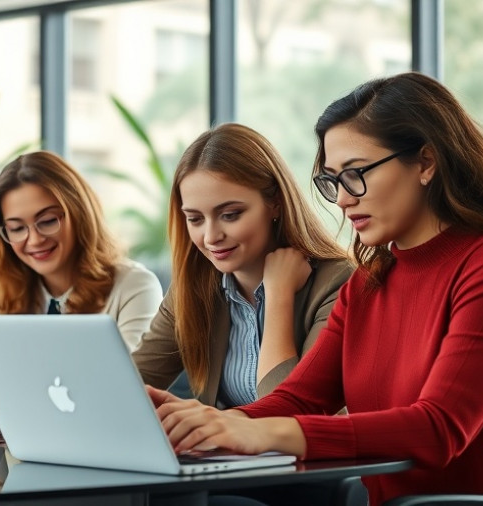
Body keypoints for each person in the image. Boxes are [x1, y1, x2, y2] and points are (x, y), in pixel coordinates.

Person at [149, 72, 483, 503]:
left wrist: (257, 430)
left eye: (355, 174)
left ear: (426, 162)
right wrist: (198, 422)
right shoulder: (368, 283)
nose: (341, 199)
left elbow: (439, 429)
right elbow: (299, 398)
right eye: (333, 180)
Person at [133, 123, 353, 408]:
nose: (211, 237)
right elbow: (128, 385)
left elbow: (291, 414)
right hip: (224, 452)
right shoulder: (195, 288)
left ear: (274, 202)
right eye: (195, 219)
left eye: (230, 214)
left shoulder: (337, 284)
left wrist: (278, 295)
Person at [0, 150, 163, 350]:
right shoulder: (3, 299)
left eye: (48, 221)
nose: (35, 240)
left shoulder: (134, 287)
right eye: (17, 229)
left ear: (79, 214)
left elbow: (131, 379)